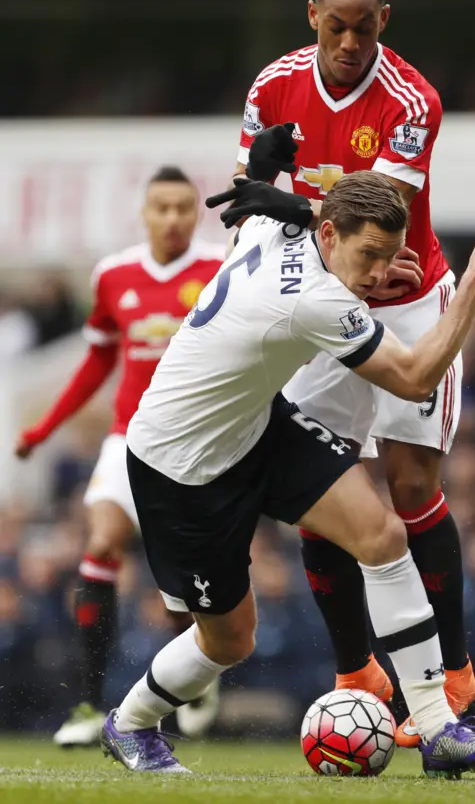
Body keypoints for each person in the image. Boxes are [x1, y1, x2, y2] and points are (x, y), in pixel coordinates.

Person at [100, 170, 475, 777]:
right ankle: (129, 723)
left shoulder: (279, 225)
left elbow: (282, 208)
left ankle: (439, 729)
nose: (381, 274)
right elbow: (413, 378)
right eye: (370, 255)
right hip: (183, 466)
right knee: (231, 641)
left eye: (389, 255)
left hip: (253, 423)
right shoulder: (313, 300)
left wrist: (266, 170)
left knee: (382, 536)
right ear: (328, 233)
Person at [232, 0, 474, 747]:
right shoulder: (273, 86)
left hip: (408, 304)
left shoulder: (412, 100)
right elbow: (248, 199)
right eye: (334, 25)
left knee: (409, 487)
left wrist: (284, 198)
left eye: (362, 27)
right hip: (327, 305)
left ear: (383, 22)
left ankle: (456, 670)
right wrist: (265, 200)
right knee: (316, 487)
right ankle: (354, 672)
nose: (347, 40)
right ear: (312, 16)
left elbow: (377, 225)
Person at [14, 166, 223, 746]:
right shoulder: (113, 276)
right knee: (101, 543)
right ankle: (87, 702)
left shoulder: (219, 268)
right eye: (163, 207)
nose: (175, 218)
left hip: (198, 441)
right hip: (128, 436)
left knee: (180, 583)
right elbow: (98, 360)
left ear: (195, 213)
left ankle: (199, 673)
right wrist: (44, 428)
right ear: (146, 213)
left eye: (185, 207)